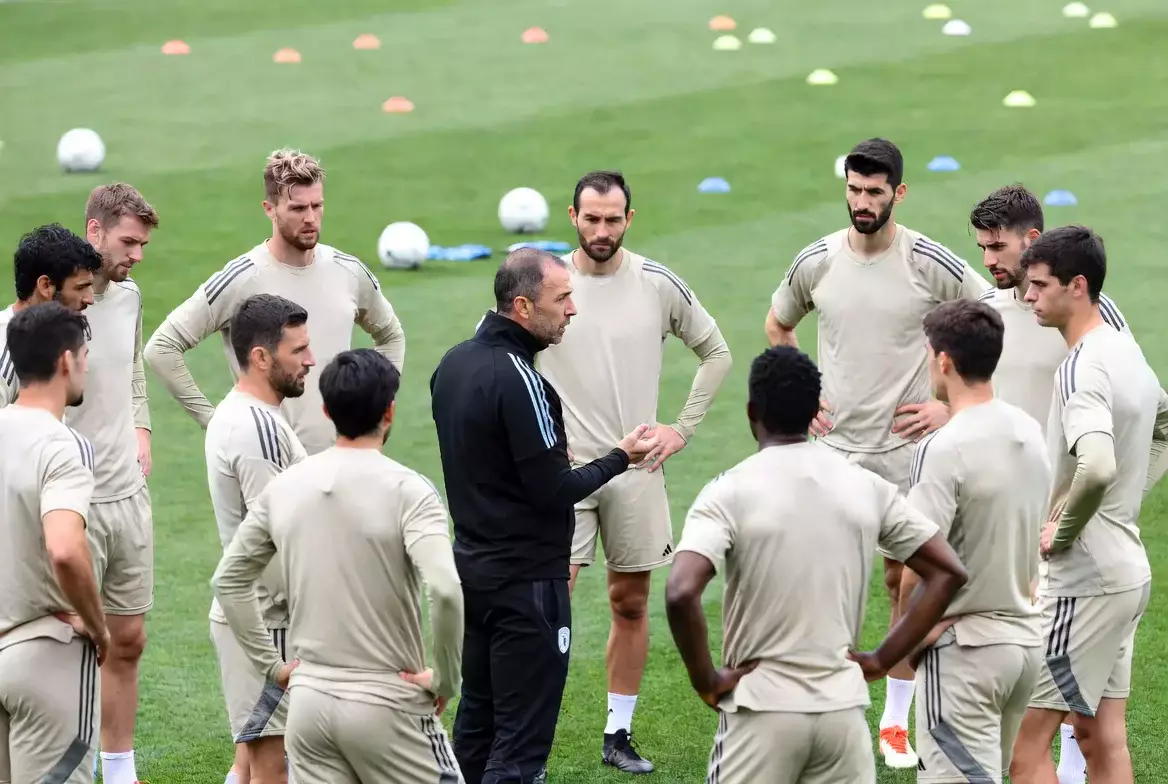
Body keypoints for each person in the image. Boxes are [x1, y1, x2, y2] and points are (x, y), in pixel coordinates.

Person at [764, 137, 990, 768]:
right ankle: (820, 706)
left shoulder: (928, 261)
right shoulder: (817, 261)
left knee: (906, 579)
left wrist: (951, 404)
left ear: (899, 192)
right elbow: (778, 322)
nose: (862, 203)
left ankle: (894, 723)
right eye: (854, 191)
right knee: (822, 578)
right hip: (834, 448)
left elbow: (988, 317)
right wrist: (800, 391)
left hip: (909, 450)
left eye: (875, 192)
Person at [664, 345, 968, 784]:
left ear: (753, 411)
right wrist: (882, 659)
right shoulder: (867, 486)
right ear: (814, 412)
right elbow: (947, 571)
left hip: (761, 713)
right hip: (843, 717)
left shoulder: (728, 491)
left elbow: (680, 591)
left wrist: (706, 681)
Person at [430, 248, 654, 784]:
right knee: (520, 747)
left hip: (475, 577)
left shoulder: (453, 364)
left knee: (476, 731)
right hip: (526, 588)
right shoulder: (523, 379)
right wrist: (621, 457)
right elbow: (554, 491)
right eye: (563, 298)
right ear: (525, 306)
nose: (572, 309)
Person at [535, 170, 733, 773]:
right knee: (545, 607)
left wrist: (682, 428)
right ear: (573, 217)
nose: (602, 229)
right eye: (591, 218)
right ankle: (528, 737)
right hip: (561, 473)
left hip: (636, 470)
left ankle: (617, 734)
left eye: (612, 219)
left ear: (628, 218)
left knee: (628, 601)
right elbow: (494, 355)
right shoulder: (545, 283)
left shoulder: (655, 283)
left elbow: (716, 352)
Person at [212, 348, 464, 783]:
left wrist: (273, 667)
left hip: (309, 707)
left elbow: (229, 581)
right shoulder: (410, 491)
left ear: (326, 410)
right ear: (390, 410)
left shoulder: (285, 488)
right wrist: (444, 679)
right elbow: (444, 589)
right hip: (389, 700)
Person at [969, 185, 1132, 783]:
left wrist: (1106, 505)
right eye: (982, 248)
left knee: (1052, 719)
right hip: (1008, 529)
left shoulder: (1096, 321)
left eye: (998, 247)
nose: (989, 260)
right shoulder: (985, 310)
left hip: (1069, 531)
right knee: (1028, 697)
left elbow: (1139, 410)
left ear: (1032, 242)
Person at [1010, 226, 1168, 784]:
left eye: (1038, 286)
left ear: (1077, 286)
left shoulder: (1079, 366)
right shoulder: (1126, 350)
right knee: (1101, 738)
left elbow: (1096, 465)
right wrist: (1124, 499)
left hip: (1084, 580)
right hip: (1126, 570)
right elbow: (1165, 427)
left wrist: (1065, 528)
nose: (1027, 297)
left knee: (1022, 746)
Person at [144, 148, 406, 456]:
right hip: (271, 467)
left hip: (343, 462)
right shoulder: (242, 277)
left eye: (317, 206)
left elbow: (391, 336)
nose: (310, 218)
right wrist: (214, 422)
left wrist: (379, 408)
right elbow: (161, 348)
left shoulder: (348, 271)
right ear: (270, 209)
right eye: (297, 209)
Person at [900, 299, 1050, 783]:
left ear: (943, 359)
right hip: (1024, 648)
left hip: (965, 653)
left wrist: (911, 635)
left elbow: (919, 560)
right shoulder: (1029, 430)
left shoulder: (941, 448)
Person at [43, 184, 159, 784]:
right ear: (95, 231)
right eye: (128, 242)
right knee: (66, 644)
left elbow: (133, 363)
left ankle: (120, 771)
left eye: (142, 243)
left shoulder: (130, 297)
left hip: (127, 493)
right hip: (69, 505)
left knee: (129, 636)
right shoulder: (46, 314)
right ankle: (67, 766)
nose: (137, 254)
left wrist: (140, 424)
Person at [206, 295, 313, 784]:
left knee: (249, 764)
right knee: (276, 766)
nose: (310, 360)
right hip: (269, 620)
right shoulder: (257, 429)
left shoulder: (243, 413)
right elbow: (278, 535)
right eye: (299, 350)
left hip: (250, 615)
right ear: (261, 357)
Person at [0, 302, 108, 784]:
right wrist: (97, 624)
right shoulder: (63, 444)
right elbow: (65, 548)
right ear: (67, 360)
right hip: (49, 655)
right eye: (85, 353)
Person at [0, 223, 101, 406]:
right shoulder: (5, 355)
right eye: (80, 287)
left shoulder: (49, 338)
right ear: (45, 286)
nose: (90, 299)